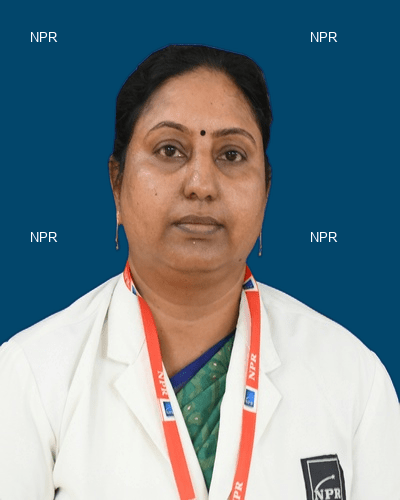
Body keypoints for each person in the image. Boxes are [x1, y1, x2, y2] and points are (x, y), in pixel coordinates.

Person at [0, 45, 399, 500]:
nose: (201, 185)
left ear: (266, 191)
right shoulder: (31, 376)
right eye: (170, 150)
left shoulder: (353, 378)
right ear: (116, 183)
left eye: (231, 155)